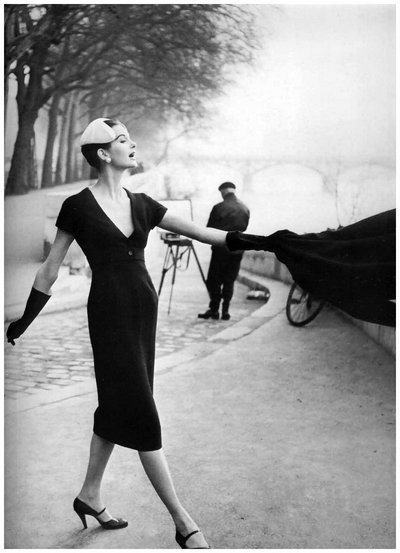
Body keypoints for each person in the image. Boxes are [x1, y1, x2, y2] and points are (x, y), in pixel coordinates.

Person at [6, 118, 237, 549]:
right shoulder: (77, 206)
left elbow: (204, 233)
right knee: (142, 412)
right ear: (102, 153)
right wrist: (23, 322)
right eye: (123, 139)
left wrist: (268, 241)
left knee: (117, 404)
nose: (133, 145)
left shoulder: (143, 203)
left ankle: (89, 494)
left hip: (143, 312)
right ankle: (183, 522)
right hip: (109, 314)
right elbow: (50, 268)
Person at [198, 182, 250, 321]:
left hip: (220, 249)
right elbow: (244, 228)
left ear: (223, 192)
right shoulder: (245, 208)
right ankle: (225, 311)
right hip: (237, 249)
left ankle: (214, 309)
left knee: (214, 280)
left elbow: (209, 229)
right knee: (229, 280)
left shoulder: (218, 207)